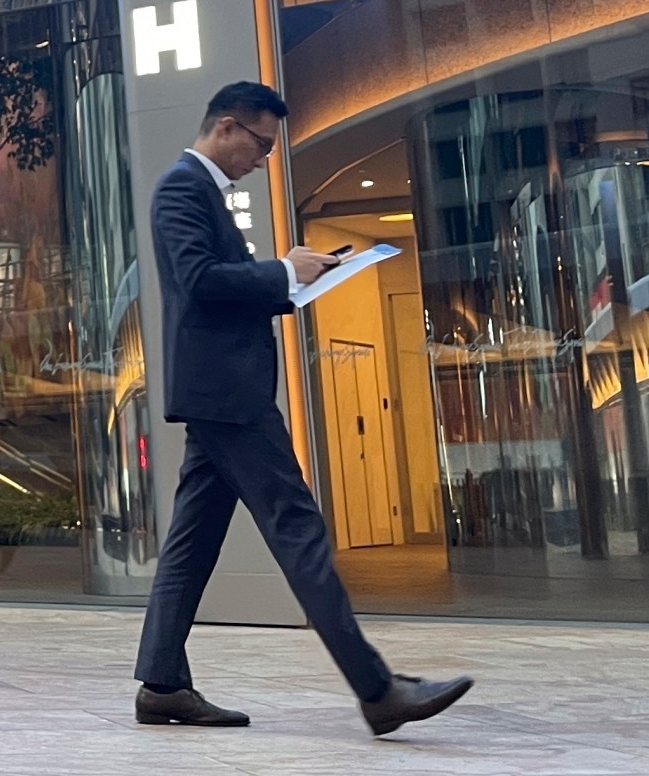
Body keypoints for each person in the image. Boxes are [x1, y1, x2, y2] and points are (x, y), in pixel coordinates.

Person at [133, 81, 474, 737]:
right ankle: (378, 691)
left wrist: (294, 279)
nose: (261, 159)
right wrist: (284, 272)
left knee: (191, 544)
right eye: (260, 145)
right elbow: (198, 283)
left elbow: (216, 287)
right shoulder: (182, 187)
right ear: (228, 128)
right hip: (228, 397)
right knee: (299, 530)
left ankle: (163, 684)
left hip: (220, 394)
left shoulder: (200, 190)